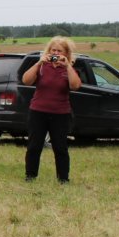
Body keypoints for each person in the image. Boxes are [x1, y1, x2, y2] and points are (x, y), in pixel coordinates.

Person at [21, 36, 81, 183]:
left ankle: (63, 178)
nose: (56, 53)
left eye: (59, 51)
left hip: (60, 113)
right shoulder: (42, 66)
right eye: (53, 50)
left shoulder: (68, 68)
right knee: (34, 145)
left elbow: (75, 86)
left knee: (60, 147)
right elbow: (26, 80)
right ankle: (30, 175)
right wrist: (39, 62)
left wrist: (67, 66)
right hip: (38, 111)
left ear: (66, 54)